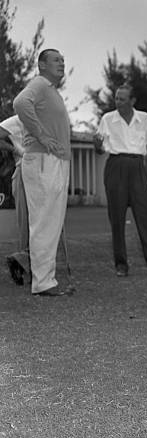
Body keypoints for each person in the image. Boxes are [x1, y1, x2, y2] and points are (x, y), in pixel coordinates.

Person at [93, 85, 147, 277]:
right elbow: (100, 149)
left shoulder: (145, 118)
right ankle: (121, 265)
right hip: (116, 165)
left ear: (132, 101)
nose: (118, 102)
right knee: (117, 218)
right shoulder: (108, 119)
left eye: (122, 98)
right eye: (116, 98)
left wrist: (146, 176)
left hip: (138, 167)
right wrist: (96, 146)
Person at [13, 49, 71, 297]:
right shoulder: (39, 84)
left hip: (54, 160)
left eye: (63, 60)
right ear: (42, 64)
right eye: (56, 60)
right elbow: (19, 103)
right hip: (43, 160)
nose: (62, 63)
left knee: (50, 222)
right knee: (45, 222)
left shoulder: (50, 90)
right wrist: (42, 136)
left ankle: (45, 279)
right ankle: (43, 282)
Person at [0, 115, 30, 285]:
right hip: (24, 171)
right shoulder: (18, 120)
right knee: (26, 223)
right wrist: (16, 150)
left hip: (44, 173)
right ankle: (25, 263)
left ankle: (24, 261)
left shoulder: (47, 117)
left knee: (42, 223)